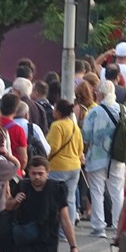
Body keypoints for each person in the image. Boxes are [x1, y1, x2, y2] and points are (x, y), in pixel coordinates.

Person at [5, 157, 79, 252]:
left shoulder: (56, 189)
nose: (37, 177)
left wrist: (73, 246)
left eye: (40, 173)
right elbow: (7, 206)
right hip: (25, 240)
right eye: (33, 173)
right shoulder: (22, 186)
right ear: (28, 172)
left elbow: (65, 219)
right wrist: (15, 201)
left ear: (47, 172)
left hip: (48, 241)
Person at [82, 81, 126, 238]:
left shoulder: (94, 112)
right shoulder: (122, 109)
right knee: (117, 191)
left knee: (97, 191)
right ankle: (118, 225)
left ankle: (99, 226)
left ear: (101, 94)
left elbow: (86, 136)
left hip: (97, 157)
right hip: (118, 156)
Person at [46, 99, 84, 234]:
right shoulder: (75, 127)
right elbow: (80, 148)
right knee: (70, 199)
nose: (53, 111)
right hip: (74, 166)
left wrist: (45, 159)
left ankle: (58, 231)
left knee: (56, 200)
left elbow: (52, 147)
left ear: (59, 112)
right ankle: (68, 230)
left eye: (55, 109)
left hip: (58, 166)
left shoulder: (57, 126)